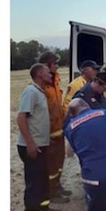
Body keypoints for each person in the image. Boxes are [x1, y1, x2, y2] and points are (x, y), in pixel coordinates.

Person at [16, 63, 62, 211]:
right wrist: (30, 143)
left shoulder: (40, 92)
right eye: (47, 72)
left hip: (40, 145)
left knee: (42, 179)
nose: (51, 74)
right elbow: (21, 118)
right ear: (39, 74)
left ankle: (43, 209)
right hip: (31, 146)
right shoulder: (31, 92)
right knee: (34, 182)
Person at [38, 51, 70, 202]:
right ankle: (51, 192)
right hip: (48, 133)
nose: (57, 66)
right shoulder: (41, 86)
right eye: (55, 63)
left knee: (59, 163)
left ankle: (57, 186)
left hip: (59, 129)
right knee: (50, 166)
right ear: (46, 65)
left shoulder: (55, 81)